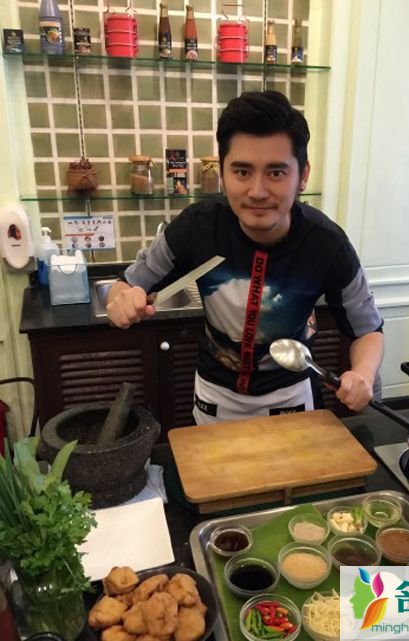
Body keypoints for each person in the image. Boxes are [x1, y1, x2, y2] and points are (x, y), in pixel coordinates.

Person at [106, 91, 384, 424]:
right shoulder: (196, 227)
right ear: (223, 174)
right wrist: (122, 301)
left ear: (303, 175)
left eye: (276, 173)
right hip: (214, 397)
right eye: (242, 172)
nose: (257, 191)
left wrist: (363, 374)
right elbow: (125, 286)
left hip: (291, 398)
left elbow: (367, 329)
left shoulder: (326, 244)